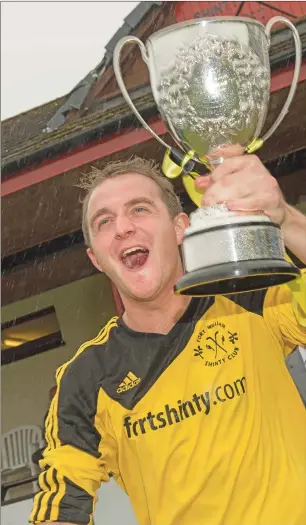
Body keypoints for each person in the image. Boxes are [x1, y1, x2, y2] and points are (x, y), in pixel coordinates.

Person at [30, 155, 306, 525]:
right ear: (96, 259)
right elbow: (61, 504)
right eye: (105, 221)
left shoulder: (248, 296)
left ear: (180, 228)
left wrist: (286, 220)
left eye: (139, 209)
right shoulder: (84, 378)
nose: (123, 227)